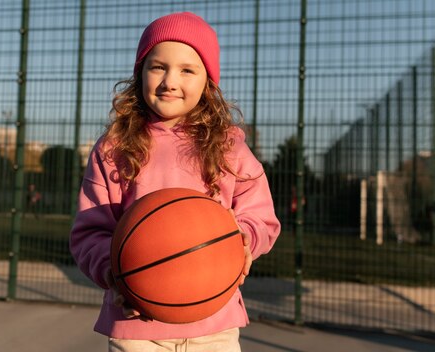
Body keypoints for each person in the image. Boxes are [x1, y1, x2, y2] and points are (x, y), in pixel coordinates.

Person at [69, 12, 280, 352]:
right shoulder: (115, 147)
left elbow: (261, 218)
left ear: (208, 81)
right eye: (158, 67)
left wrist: (241, 241)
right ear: (140, 73)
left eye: (187, 70)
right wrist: (114, 273)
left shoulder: (230, 146)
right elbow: (89, 233)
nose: (170, 81)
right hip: (136, 325)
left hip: (215, 323)